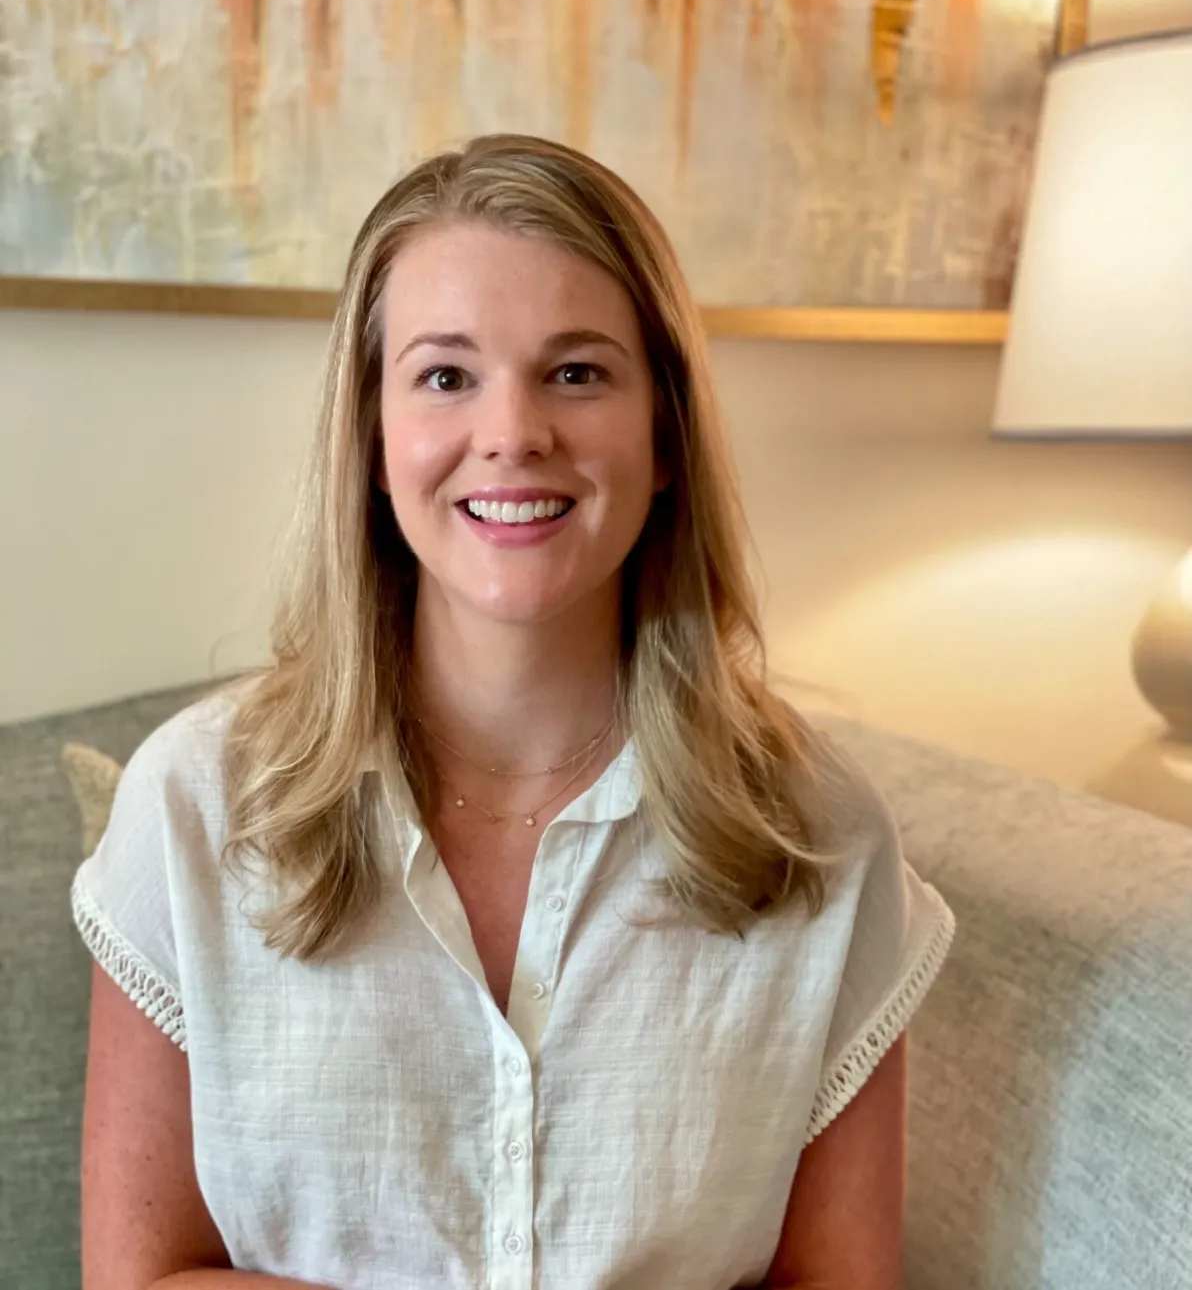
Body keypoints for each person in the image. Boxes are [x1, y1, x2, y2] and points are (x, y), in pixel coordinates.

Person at [72, 133, 955, 1290]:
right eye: (445, 375)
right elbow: (139, 1280)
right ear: (374, 443)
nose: (512, 432)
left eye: (577, 371)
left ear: (666, 436)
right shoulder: (193, 804)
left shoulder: (820, 836)